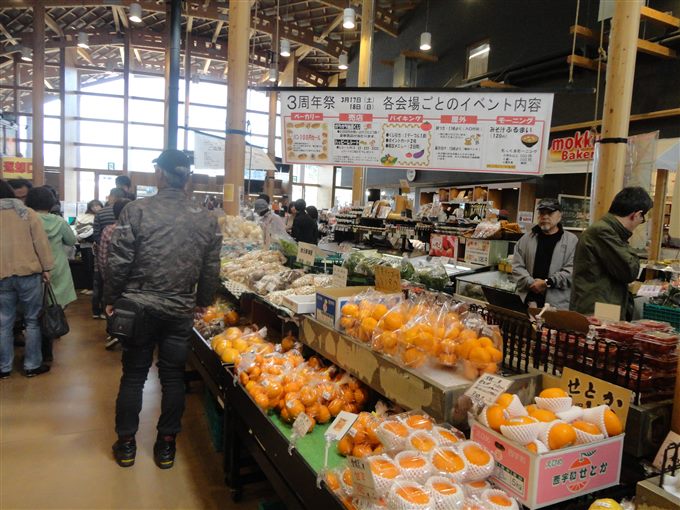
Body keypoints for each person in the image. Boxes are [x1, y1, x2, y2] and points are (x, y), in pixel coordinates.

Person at [104, 149, 221, 469]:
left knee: (133, 376)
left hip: (139, 307)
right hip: (179, 310)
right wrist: (203, 302)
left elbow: (118, 261)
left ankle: (126, 443)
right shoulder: (206, 218)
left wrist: (111, 298)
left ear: (159, 174)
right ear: (187, 178)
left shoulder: (136, 210)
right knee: (172, 378)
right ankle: (166, 445)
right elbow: (211, 268)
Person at [570, 187, 653, 319]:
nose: (639, 223)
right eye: (641, 219)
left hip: (602, 305)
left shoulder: (608, 231)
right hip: (598, 309)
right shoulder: (603, 232)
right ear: (636, 214)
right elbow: (630, 270)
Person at [0, 180, 54, 378]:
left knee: (3, 322)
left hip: (1, 275)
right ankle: (32, 365)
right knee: (32, 321)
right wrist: (47, 268)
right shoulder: (27, 213)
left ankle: (3, 367)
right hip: (29, 272)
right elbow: (40, 242)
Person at [26, 187, 77, 362]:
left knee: (34, 311)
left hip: (34, 267)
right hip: (57, 268)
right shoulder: (58, 221)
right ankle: (49, 344)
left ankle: (36, 351)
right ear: (51, 203)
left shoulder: (26, 219)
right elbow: (71, 240)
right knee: (53, 306)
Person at [512, 198, 578, 309]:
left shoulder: (571, 241)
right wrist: (531, 283)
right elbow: (517, 266)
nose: (545, 216)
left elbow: (572, 271)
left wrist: (547, 283)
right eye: (542, 213)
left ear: (560, 215)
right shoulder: (526, 238)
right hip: (527, 302)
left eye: (550, 213)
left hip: (556, 306)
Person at [97, 199, 131, 350]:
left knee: (110, 304)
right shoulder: (138, 229)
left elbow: (102, 256)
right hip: (132, 278)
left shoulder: (108, 230)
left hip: (112, 274)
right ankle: (127, 333)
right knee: (129, 306)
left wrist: (105, 276)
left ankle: (113, 332)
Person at [92, 188, 126, 319]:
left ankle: (97, 311)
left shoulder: (101, 213)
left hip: (105, 260)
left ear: (112, 196)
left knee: (100, 287)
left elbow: (96, 236)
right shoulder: (130, 220)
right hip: (125, 268)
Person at [75, 199, 104, 295]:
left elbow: (94, 231)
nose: (96, 208)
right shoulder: (84, 216)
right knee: (86, 266)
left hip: (93, 245)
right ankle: (88, 286)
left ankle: (92, 287)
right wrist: (79, 237)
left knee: (92, 267)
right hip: (84, 244)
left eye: (98, 205)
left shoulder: (100, 217)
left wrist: (80, 237)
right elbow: (78, 228)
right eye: (93, 206)